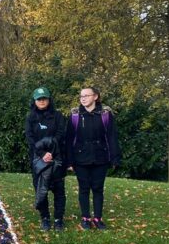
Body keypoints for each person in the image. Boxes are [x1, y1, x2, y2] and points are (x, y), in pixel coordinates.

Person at [66, 86, 121, 230]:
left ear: (95, 97)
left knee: (98, 188)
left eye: (86, 95)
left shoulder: (105, 114)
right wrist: (69, 161)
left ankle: (97, 218)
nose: (83, 98)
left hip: (100, 157)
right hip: (80, 157)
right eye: (81, 96)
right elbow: (69, 139)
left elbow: (111, 136)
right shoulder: (75, 114)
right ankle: (85, 218)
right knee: (84, 188)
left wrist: (114, 157)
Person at [25, 86, 67, 231]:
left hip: (56, 158)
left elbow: (61, 134)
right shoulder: (31, 117)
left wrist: (51, 152)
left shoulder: (58, 116)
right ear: (35, 101)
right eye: (39, 99)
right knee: (40, 190)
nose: (42, 101)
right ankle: (45, 218)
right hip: (38, 159)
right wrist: (43, 154)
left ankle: (58, 220)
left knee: (59, 191)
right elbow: (30, 138)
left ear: (49, 99)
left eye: (44, 98)